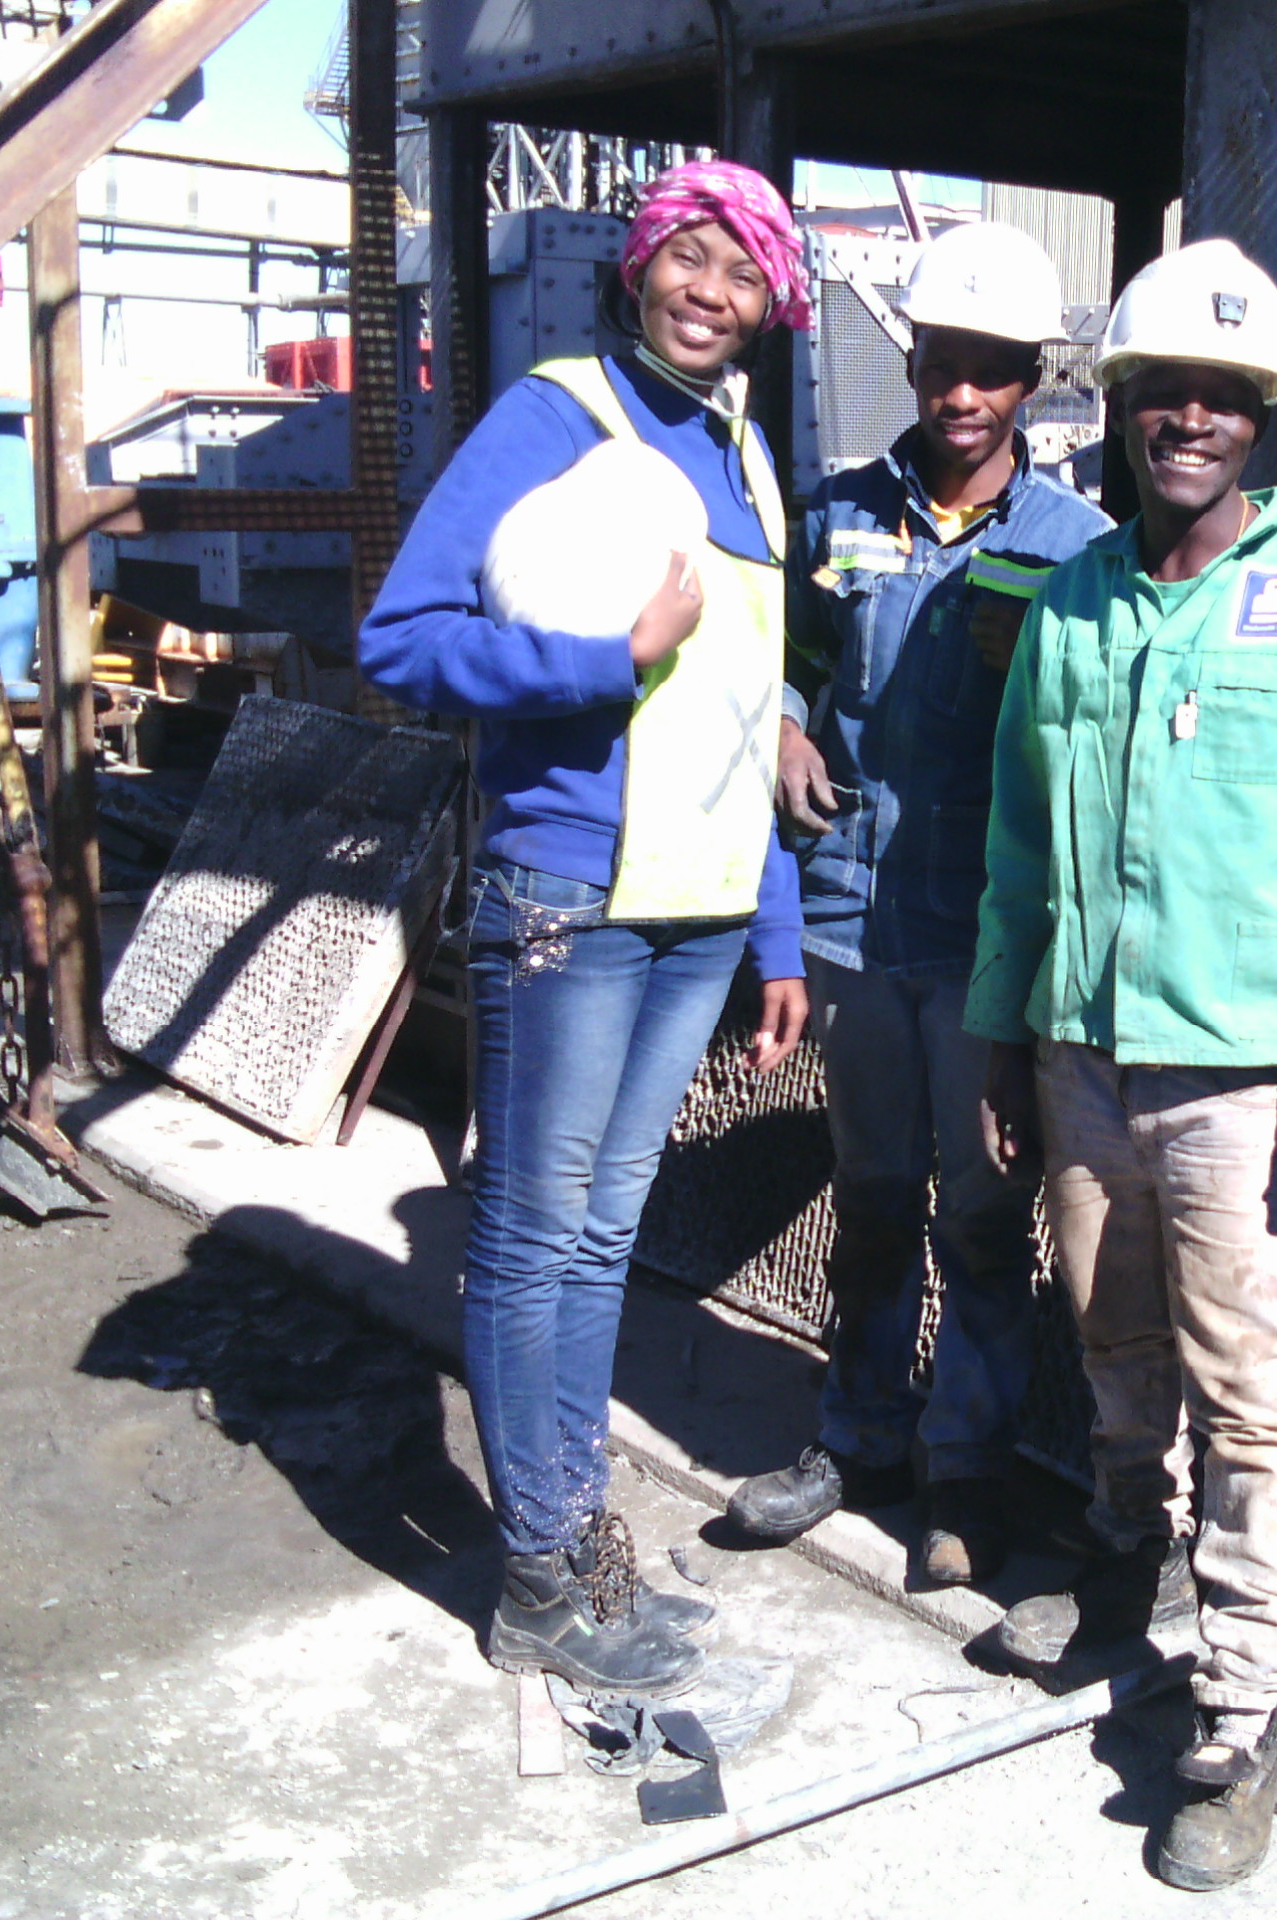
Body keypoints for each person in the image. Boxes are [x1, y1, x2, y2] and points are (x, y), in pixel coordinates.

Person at [965, 239, 1277, 1890]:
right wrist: (1004, 1036)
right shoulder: (1075, 601)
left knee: (1247, 1396)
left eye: (1223, 398)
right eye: (1163, 391)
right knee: (1111, 1340)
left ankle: (1242, 1707)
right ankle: (1121, 1567)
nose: (1189, 419)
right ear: (1120, 407)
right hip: (1082, 1056)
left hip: (1240, 1079)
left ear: (1262, 418)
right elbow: (1021, 843)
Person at [359, 161, 815, 1696]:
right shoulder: (557, 415)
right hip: (567, 894)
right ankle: (541, 1580)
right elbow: (403, 639)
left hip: (698, 908)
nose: (711, 293)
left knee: (601, 1239)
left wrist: (776, 926)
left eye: (743, 274)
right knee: (532, 1238)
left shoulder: (746, 450)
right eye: (690, 258)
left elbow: (746, 703)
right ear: (638, 266)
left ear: (771, 306)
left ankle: (571, 1543)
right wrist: (604, 659)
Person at [727, 222, 1110, 1585]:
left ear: (1029, 383)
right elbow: (785, 656)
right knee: (877, 1198)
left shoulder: (1078, 549)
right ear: (912, 363)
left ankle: (966, 1471)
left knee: (986, 1222)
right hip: (851, 924)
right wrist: (785, 722)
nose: (961, 393)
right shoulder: (838, 514)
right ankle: (860, 1434)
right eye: (943, 362)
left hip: (985, 948)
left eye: (991, 369)